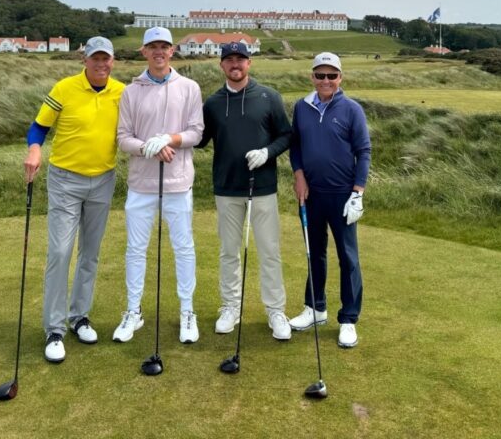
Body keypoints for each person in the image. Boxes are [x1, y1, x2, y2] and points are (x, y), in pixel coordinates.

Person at [24, 36, 125, 364]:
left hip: (104, 179)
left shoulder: (122, 92)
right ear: (85, 60)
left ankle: (79, 316)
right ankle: (54, 329)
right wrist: (35, 149)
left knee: (90, 253)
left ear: (112, 61)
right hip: (65, 180)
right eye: (95, 58)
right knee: (60, 251)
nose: (101, 64)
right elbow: (38, 128)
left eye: (106, 59)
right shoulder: (64, 88)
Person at [114, 26, 204, 344]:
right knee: (136, 250)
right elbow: (123, 138)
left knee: (183, 248)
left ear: (172, 50)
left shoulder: (189, 88)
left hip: (179, 183)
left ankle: (187, 311)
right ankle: (133, 311)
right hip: (141, 184)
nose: (159, 52)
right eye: (153, 47)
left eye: (164, 46)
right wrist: (147, 147)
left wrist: (170, 139)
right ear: (144, 51)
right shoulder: (131, 92)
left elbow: (196, 132)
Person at [197, 41, 293, 341]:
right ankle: (230, 307)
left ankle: (275, 311)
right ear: (221, 65)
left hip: (262, 188)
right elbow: (199, 140)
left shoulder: (268, 97)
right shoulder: (212, 103)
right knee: (228, 252)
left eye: (241, 59)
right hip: (226, 188)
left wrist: (267, 152)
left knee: (269, 251)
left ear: (249, 63)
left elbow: (286, 135)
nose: (235, 64)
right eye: (229, 60)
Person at [288, 52, 371, 348]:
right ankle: (315, 308)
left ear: (340, 78)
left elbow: (363, 151)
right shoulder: (302, 107)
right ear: (312, 77)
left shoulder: (351, 109)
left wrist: (358, 192)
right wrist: (298, 175)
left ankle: (348, 318)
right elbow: (295, 145)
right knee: (315, 252)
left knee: (348, 257)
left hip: (342, 195)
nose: (326, 81)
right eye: (320, 75)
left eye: (331, 76)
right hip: (311, 194)